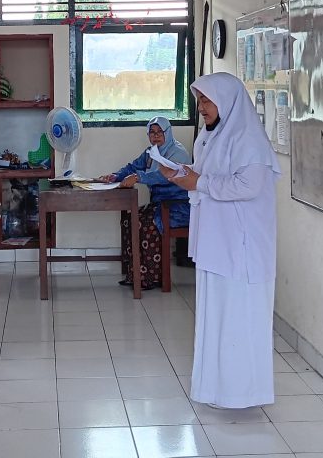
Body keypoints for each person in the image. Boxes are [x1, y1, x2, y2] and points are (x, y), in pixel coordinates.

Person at [159, 72, 280, 409]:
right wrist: (179, 174)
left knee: (240, 318)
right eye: (199, 100)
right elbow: (203, 176)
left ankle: (242, 394)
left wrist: (199, 182)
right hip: (215, 244)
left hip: (241, 249)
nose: (202, 107)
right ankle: (215, 390)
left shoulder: (249, 139)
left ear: (228, 101)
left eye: (207, 100)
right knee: (216, 318)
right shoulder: (209, 137)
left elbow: (248, 186)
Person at [100, 116, 191, 290]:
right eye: (152, 132)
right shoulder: (151, 153)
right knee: (129, 220)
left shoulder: (177, 152)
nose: (156, 136)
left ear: (168, 132)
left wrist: (138, 177)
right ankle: (135, 274)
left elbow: (165, 176)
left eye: (159, 132)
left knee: (145, 223)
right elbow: (133, 167)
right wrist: (116, 176)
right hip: (160, 205)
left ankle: (151, 278)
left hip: (178, 207)